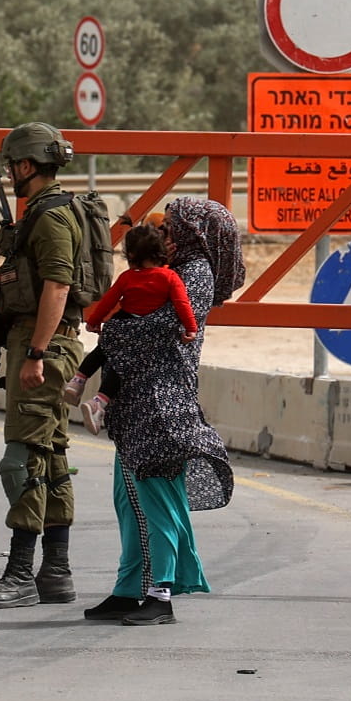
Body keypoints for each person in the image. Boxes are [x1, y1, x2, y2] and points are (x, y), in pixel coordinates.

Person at [79, 196, 244, 626]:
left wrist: (109, 324)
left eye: (169, 228)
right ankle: (128, 590)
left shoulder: (194, 274)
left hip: (163, 402)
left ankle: (161, 594)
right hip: (137, 399)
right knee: (129, 499)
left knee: (157, 501)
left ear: (194, 234)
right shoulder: (163, 272)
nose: (162, 235)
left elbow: (161, 327)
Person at [0, 122, 88, 610]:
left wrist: (37, 354)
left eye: (13, 165)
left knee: (21, 460)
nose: (11, 174)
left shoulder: (51, 217)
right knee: (51, 457)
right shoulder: (44, 211)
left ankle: (20, 575)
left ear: (27, 164)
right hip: (41, 342)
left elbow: (58, 287)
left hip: (43, 345)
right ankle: (54, 573)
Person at [66, 223, 197, 405]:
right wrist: (191, 328)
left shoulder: (127, 277)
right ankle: (99, 402)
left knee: (102, 350)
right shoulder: (169, 277)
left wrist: (94, 321)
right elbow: (182, 304)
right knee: (123, 365)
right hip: (144, 331)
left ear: (131, 254)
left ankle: (77, 380)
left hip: (120, 322)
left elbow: (108, 301)